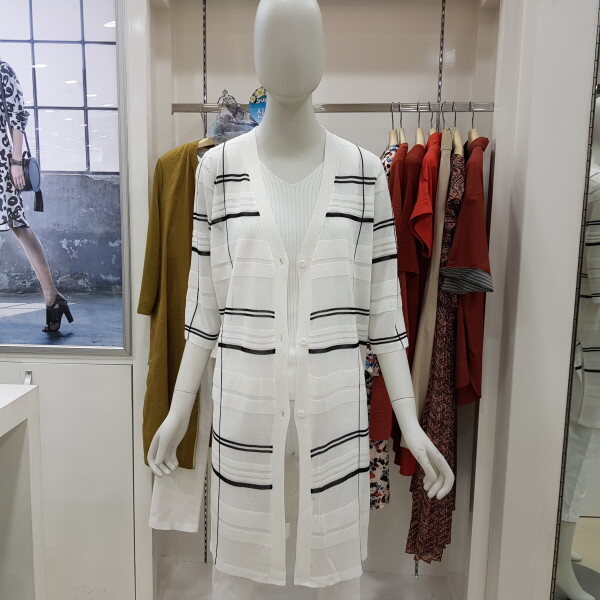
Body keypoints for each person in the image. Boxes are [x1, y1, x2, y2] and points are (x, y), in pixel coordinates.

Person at [0, 60, 73, 332]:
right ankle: (54, 299)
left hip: (2, 161)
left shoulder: (2, 70)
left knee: (17, 223)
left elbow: (17, 116)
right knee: (17, 224)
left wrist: (16, 161)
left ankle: (52, 296)